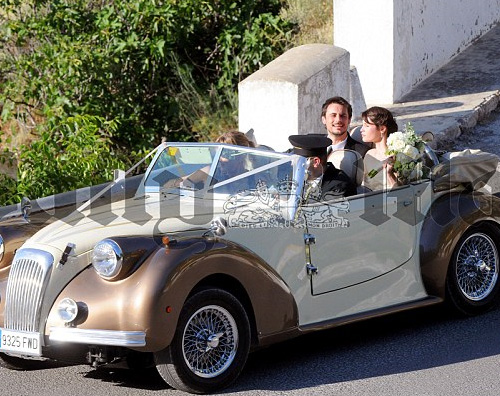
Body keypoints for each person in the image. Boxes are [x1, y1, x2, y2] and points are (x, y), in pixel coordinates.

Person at [288, 134, 356, 200]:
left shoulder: (338, 186)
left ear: (316, 162)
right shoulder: (296, 177)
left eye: (299, 161)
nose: (292, 164)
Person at [359, 106, 399, 190]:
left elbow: (402, 191)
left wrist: (389, 174)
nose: (361, 130)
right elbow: (365, 183)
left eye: (366, 126)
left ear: (382, 129)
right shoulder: (369, 155)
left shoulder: (397, 156)